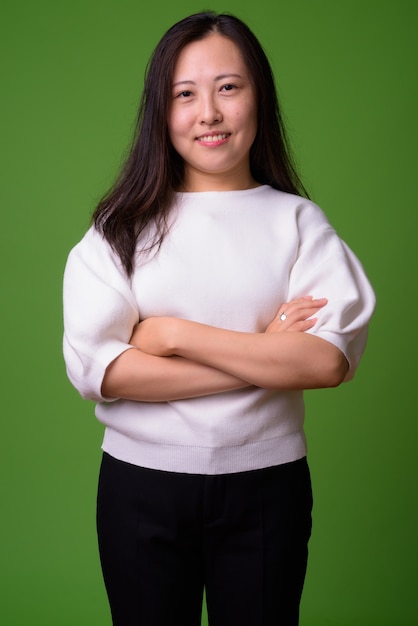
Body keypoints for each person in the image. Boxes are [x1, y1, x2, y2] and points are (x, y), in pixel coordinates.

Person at [63, 11, 375, 626]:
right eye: (185, 94)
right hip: (140, 487)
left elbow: (326, 360)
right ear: (161, 110)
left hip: (267, 486)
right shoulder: (118, 231)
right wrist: (262, 356)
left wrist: (175, 336)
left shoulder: (298, 223)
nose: (209, 112)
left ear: (259, 96)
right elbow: (104, 373)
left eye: (228, 87)